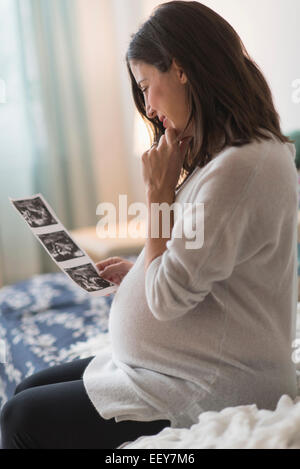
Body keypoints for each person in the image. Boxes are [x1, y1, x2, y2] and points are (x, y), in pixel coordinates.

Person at [1, 0, 298, 449]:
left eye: (145, 86)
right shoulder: (226, 157)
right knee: (26, 393)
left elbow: (166, 296)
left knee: (21, 418)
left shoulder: (241, 168)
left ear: (180, 69)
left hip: (207, 384)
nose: (147, 105)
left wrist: (159, 196)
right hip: (174, 368)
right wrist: (138, 272)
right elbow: (192, 258)